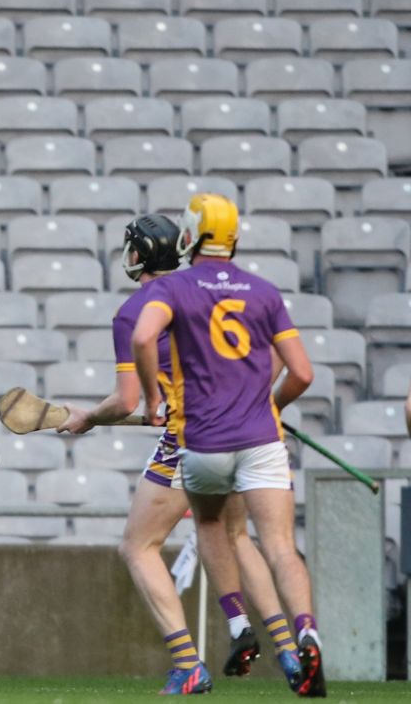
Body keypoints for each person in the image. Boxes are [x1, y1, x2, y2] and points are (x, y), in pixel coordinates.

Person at [57, 214, 303, 695]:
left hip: (190, 438)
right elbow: (274, 356)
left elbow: (128, 401)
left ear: (141, 254)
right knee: (237, 536)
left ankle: (187, 661)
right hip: (242, 431)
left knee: (138, 545)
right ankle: (290, 652)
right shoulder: (214, 293)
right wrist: (255, 401)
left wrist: (88, 417)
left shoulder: (137, 310)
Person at [133, 193, 325, 698]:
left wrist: (153, 396)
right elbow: (302, 372)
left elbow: (142, 337)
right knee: (279, 545)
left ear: (189, 236)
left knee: (212, 522)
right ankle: (305, 632)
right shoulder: (264, 292)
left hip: (206, 442)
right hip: (262, 440)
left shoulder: (174, 287)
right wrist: (271, 405)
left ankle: (238, 623)